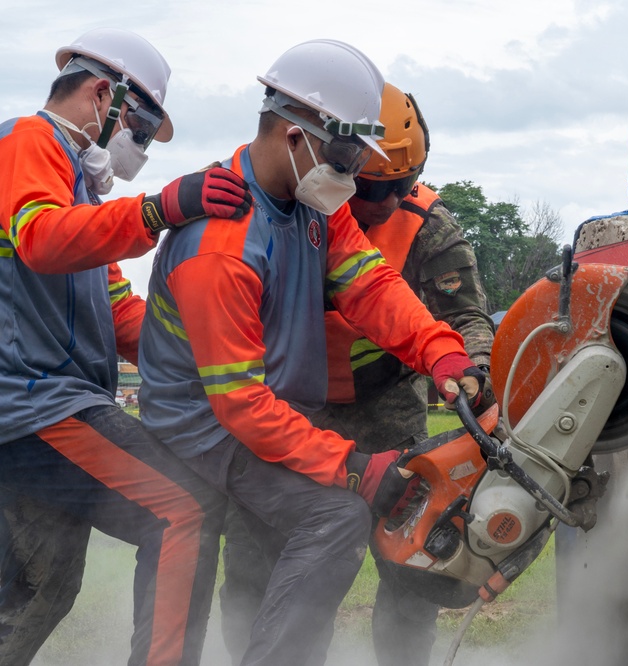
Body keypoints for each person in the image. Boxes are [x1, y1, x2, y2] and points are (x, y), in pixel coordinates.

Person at [136, 39, 485, 666]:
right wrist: (354, 464)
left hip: (264, 415)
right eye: (348, 155)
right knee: (330, 521)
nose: (353, 178)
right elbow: (240, 403)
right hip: (207, 432)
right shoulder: (225, 245)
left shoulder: (309, 204)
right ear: (298, 137)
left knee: (333, 521)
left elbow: (371, 284)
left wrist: (441, 351)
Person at [218, 82, 495, 666]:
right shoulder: (283, 205)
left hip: (387, 407)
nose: (390, 203)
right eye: (375, 188)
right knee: (256, 556)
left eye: (403, 184)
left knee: (413, 562)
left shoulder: (429, 224)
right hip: (285, 404)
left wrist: (472, 369)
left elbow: (467, 315)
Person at [0, 27, 252, 665]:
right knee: (185, 509)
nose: (139, 147)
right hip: (34, 404)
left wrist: (213, 361)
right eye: (140, 130)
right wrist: (158, 210)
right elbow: (41, 238)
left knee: (32, 593)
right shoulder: (27, 140)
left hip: (37, 410)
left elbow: (116, 311)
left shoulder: (79, 193)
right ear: (101, 95)